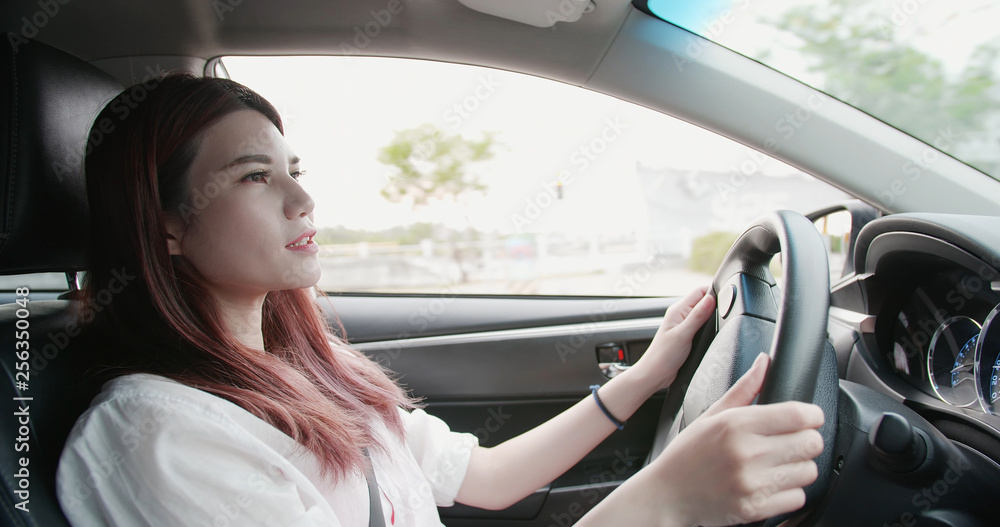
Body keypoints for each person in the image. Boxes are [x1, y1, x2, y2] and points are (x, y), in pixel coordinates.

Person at [55, 74, 824, 527]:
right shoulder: (156, 433)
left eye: (296, 167)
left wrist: (646, 378)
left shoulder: (304, 366)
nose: (303, 197)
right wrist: (661, 499)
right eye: (256, 176)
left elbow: (482, 476)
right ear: (165, 227)